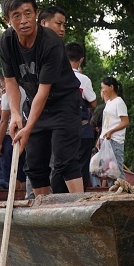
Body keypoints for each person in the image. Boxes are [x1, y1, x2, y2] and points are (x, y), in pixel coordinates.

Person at [0, 0, 84, 196]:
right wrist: (16, 115)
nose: (24, 20)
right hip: (34, 102)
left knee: (64, 159)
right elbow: (10, 82)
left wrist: (28, 127)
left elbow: (44, 90)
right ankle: (41, 210)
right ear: (7, 20)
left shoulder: (50, 41)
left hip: (63, 102)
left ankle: (79, 204)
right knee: (34, 162)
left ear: (36, 13)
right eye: (16, 15)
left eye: (28, 13)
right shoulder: (6, 42)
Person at [51, 42, 97, 191]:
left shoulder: (53, 75)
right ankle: (79, 198)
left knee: (59, 164)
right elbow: (93, 102)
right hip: (81, 128)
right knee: (80, 166)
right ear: (81, 59)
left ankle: (55, 197)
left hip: (57, 127)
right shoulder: (82, 79)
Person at [97, 76, 129, 181]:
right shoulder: (109, 103)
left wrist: (111, 131)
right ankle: (113, 193)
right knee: (108, 172)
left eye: (103, 88)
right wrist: (100, 138)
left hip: (115, 140)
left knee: (117, 171)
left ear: (111, 87)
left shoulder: (119, 102)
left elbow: (125, 122)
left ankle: (123, 194)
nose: (102, 91)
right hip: (105, 140)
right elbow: (106, 123)